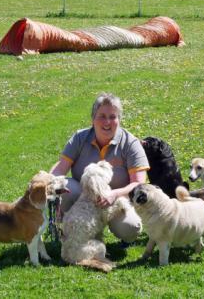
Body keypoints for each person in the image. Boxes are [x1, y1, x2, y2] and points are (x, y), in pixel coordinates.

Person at [50, 92, 149, 243]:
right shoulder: (79, 137)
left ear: (119, 120)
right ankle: (69, 232)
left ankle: (122, 237)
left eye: (112, 117)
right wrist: (46, 184)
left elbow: (138, 184)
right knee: (62, 187)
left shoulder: (131, 144)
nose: (107, 122)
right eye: (102, 116)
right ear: (93, 119)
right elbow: (60, 168)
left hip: (118, 200)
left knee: (131, 227)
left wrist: (114, 195)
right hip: (84, 198)